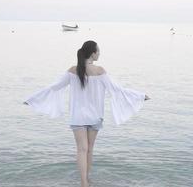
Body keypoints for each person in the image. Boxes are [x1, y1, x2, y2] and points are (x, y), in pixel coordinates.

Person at [23, 40, 150, 187]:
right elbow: (117, 90)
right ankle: (87, 181)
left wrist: (32, 100)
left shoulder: (72, 70)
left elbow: (54, 87)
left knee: (81, 150)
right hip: (95, 116)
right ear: (92, 53)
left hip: (77, 117)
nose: (99, 53)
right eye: (98, 51)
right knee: (89, 150)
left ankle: (84, 183)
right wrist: (141, 96)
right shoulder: (100, 71)